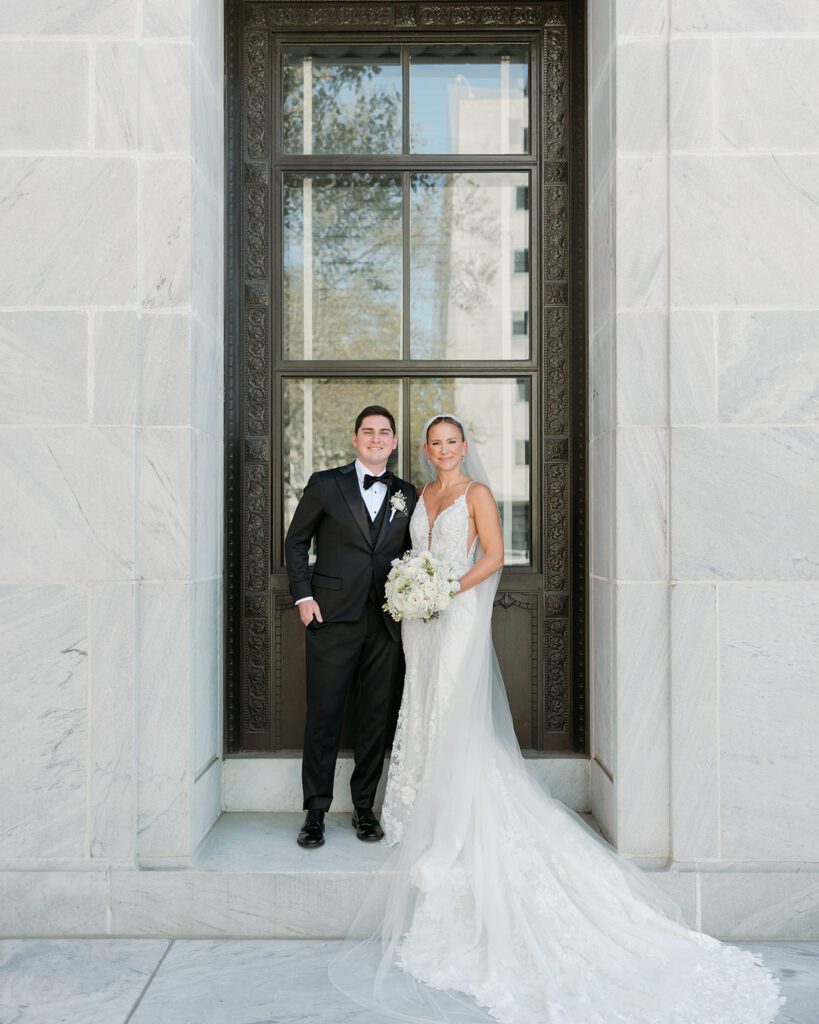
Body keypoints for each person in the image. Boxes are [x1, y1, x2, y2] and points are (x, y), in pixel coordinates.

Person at [328, 413, 786, 1024]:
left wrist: (447, 591)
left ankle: (455, 808)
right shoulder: (421, 494)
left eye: (451, 442)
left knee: (450, 708)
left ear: (465, 446)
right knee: (422, 698)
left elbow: (493, 557)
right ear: (426, 449)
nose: (442, 450)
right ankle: (417, 802)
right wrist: (416, 591)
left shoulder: (477, 494)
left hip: (456, 615)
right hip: (420, 623)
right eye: (434, 443)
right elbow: (412, 554)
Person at [284, 406, 417, 849]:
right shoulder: (326, 484)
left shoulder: (408, 494)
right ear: (356, 438)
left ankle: (365, 809)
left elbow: (416, 552)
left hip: (387, 623)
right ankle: (315, 812)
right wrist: (304, 597)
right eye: (368, 432)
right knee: (323, 715)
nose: (376, 438)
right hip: (330, 617)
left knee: (375, 718)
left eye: (384, 433)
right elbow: (297, 541)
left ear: (394, 442)